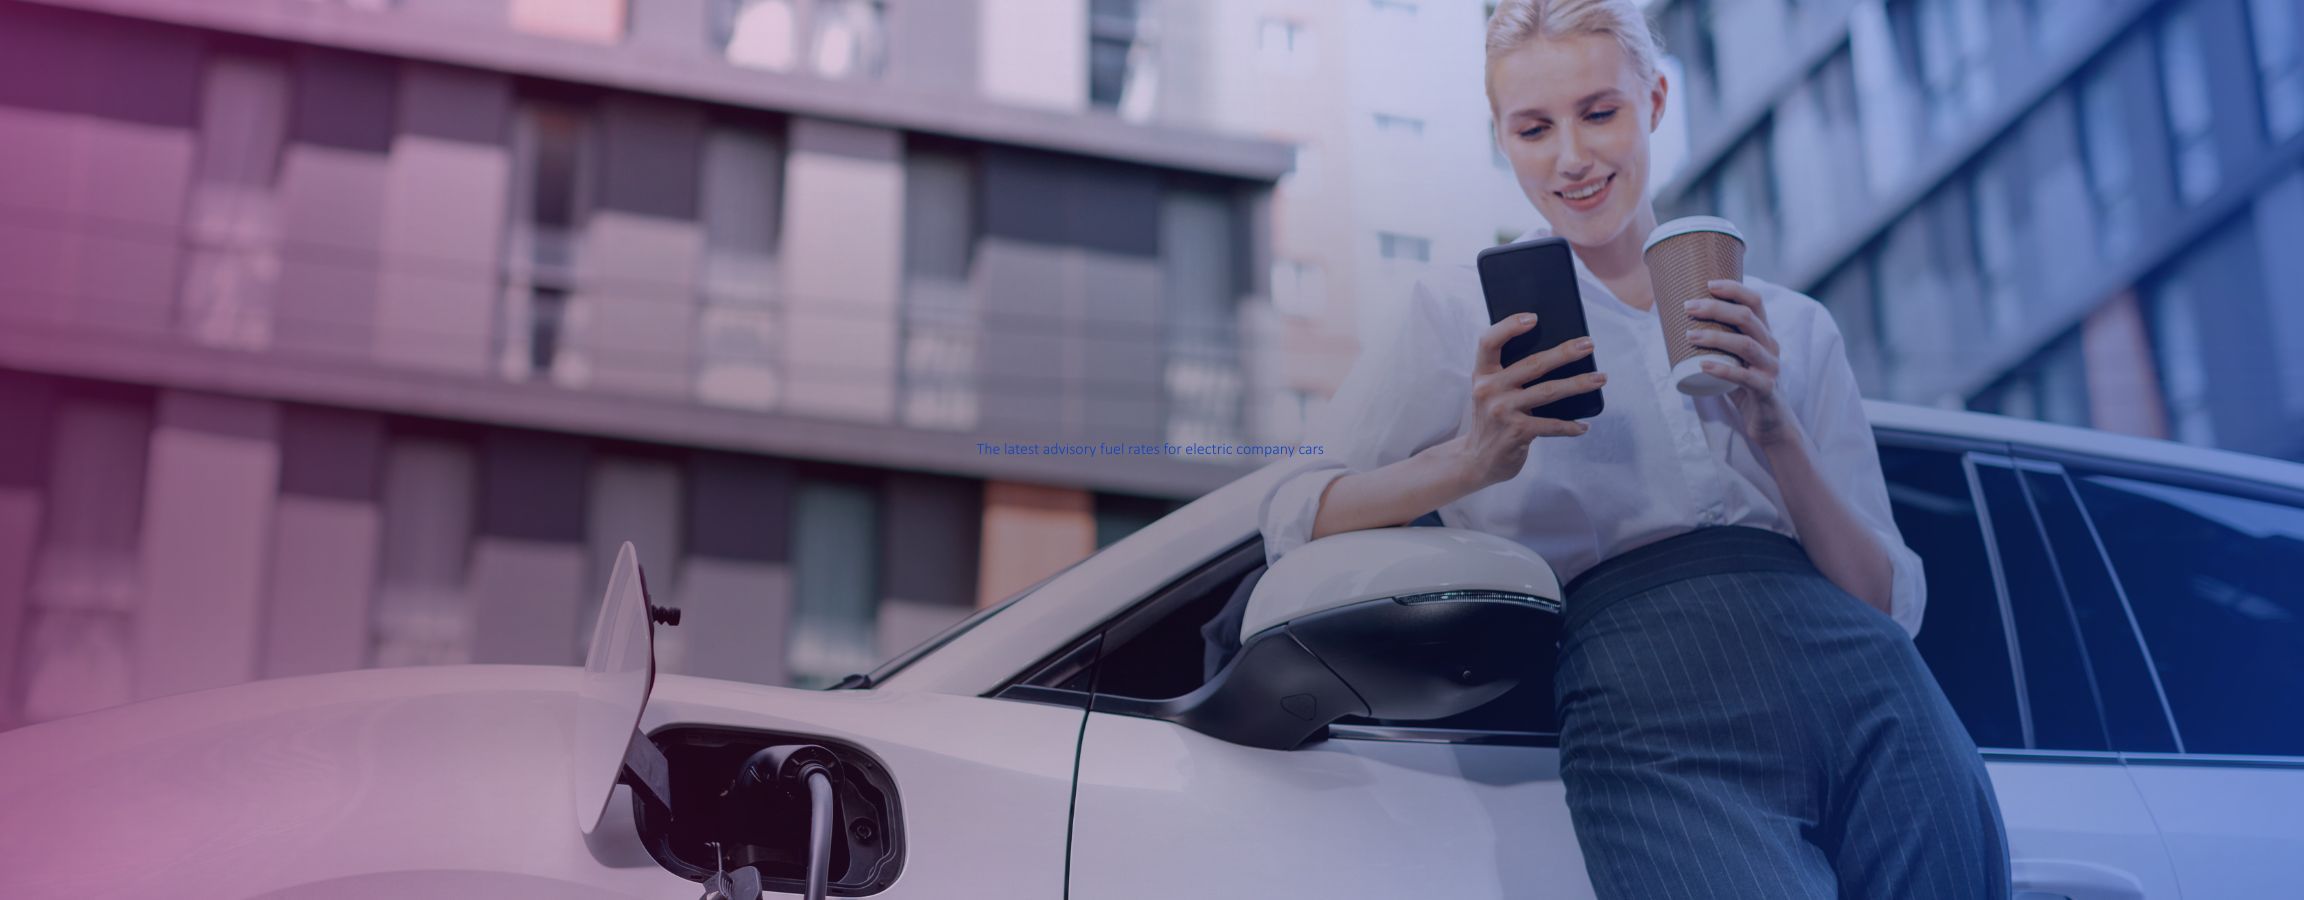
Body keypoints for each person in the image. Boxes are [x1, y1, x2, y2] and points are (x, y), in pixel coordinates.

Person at [1255, 1, 2012, 896]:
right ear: (1501, 139)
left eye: (1599, 112)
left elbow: (1885, 603)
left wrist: (1774, 428)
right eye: (1534, 128)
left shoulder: (1794, 327)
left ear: (1655, 101)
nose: (1572, 157)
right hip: (1647, 696)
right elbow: (1293, 515)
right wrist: (1469, 460)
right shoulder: (1455, 316)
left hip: (1877, 693)